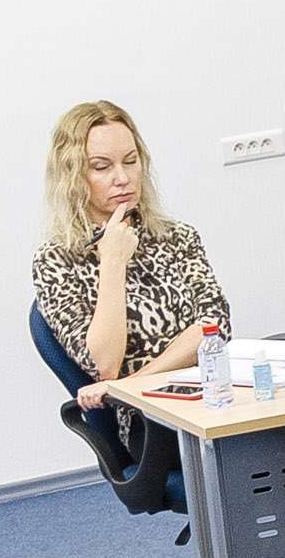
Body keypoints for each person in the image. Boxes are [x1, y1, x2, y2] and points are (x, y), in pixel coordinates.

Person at [31, 101, 227, 407]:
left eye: (130, 161)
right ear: (72, 176)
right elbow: (104, 366)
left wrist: (131, 384)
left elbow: (214, 326)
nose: (122, 177)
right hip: (146, 415)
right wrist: (113, 262)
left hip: (210, 391)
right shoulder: (56, 260)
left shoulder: (177, 236)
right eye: (101, 167)